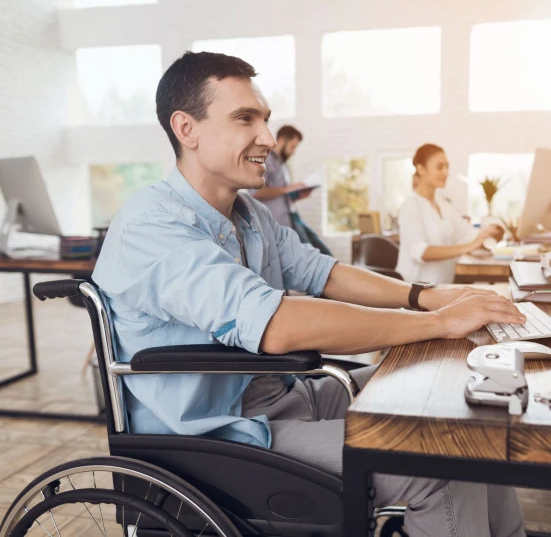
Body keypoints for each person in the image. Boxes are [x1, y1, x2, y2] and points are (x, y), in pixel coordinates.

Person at [92, 51, 526, 536]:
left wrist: (425, 297)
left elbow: (325, 272)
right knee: (436, 460)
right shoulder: (153, 226)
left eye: (265, 119)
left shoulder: (249, 215)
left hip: (285, 394)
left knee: (466, 430)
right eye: (244, 119)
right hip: (219, 436)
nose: (268, 139)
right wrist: (436, 325)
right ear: (186, 129)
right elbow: (277, 325)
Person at [396, 143, 504, 284]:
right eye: (440, 167)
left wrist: (491, 231)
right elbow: (421, 252)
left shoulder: (443, 204)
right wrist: (469, 246)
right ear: (421, 169)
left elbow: (469, 235)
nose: (446, 172)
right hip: (415, 290)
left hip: (442, 288)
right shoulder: (410, 206)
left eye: (447, 167)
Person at [250, 125, 332, 255]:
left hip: (292, 216)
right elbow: (256, 193)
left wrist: (297, 194)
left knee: (324, 253)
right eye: (292, 146)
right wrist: (289, 188)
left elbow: (282, 195)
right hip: (278, 223)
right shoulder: (266, 160)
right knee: (312, 257)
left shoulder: (283, 165)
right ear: (281, 140)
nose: (294, 151)